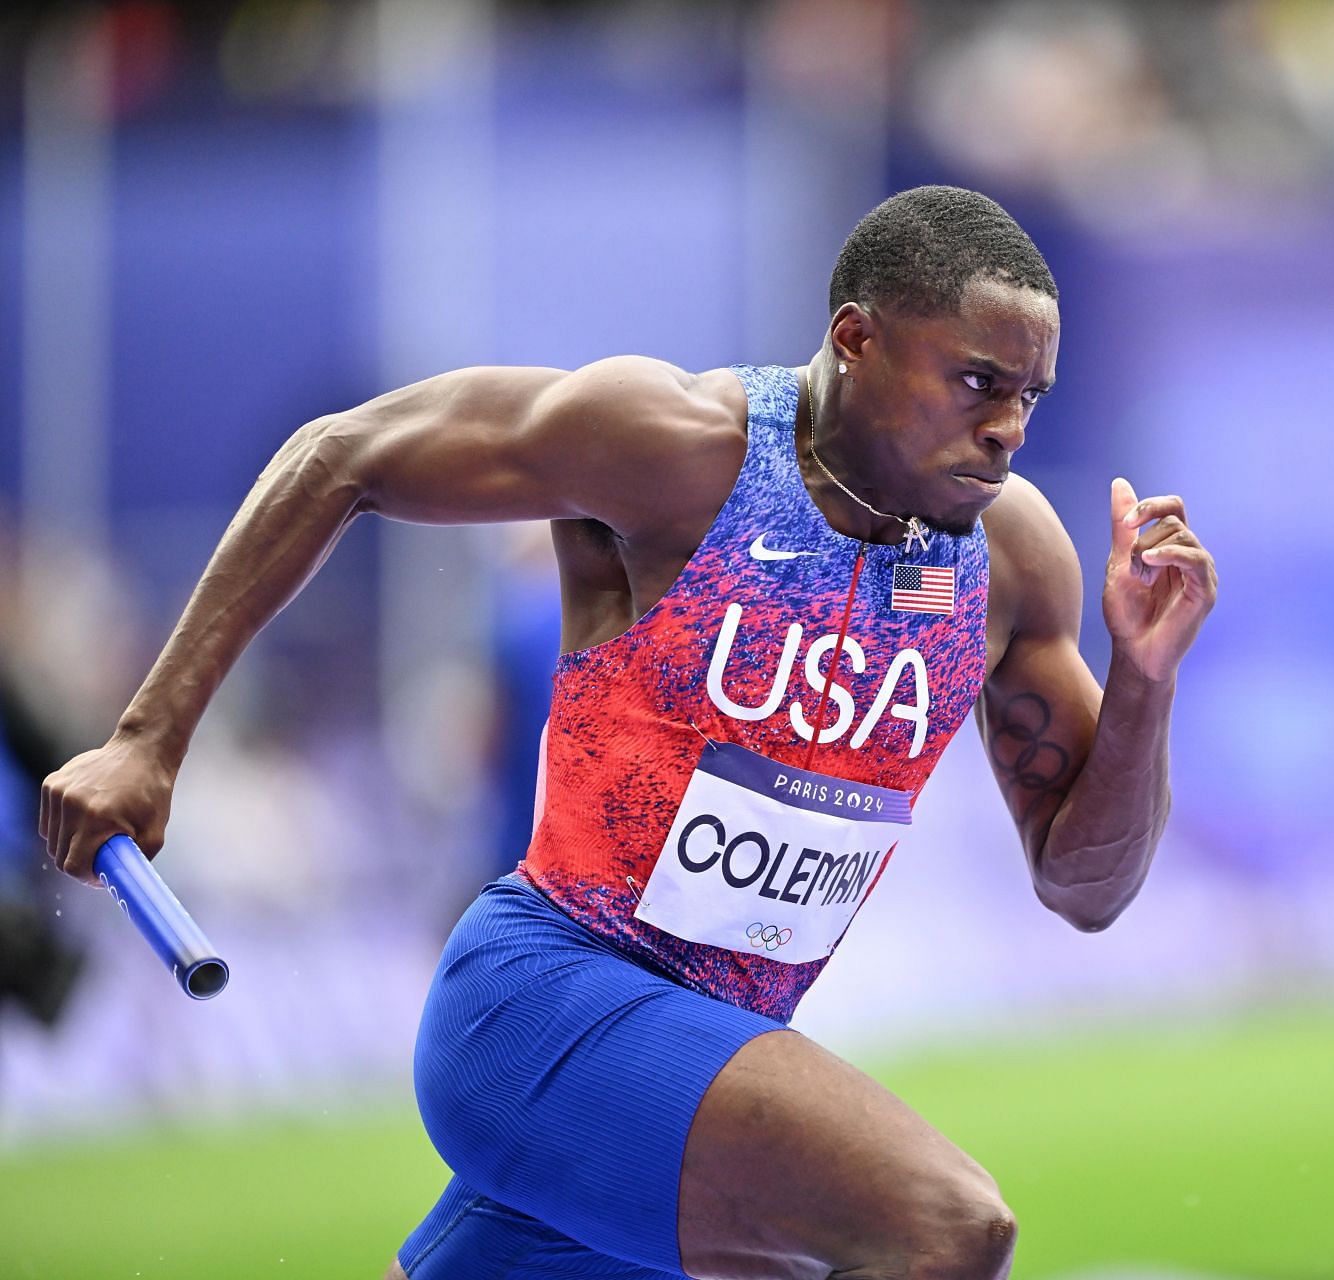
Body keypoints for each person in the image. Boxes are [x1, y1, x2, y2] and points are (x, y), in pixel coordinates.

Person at [36, 185, 1217, 1280]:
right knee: (945, 1224)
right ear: (854, 340)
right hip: (542, 1000)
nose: (1009, 426)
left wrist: (1146, 681)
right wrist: (147, 739)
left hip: (694, 1059)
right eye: (976, 382)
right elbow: (337, 455)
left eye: (1030, 396)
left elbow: (1087, 887)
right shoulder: (678, 450)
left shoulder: (1012, 556)